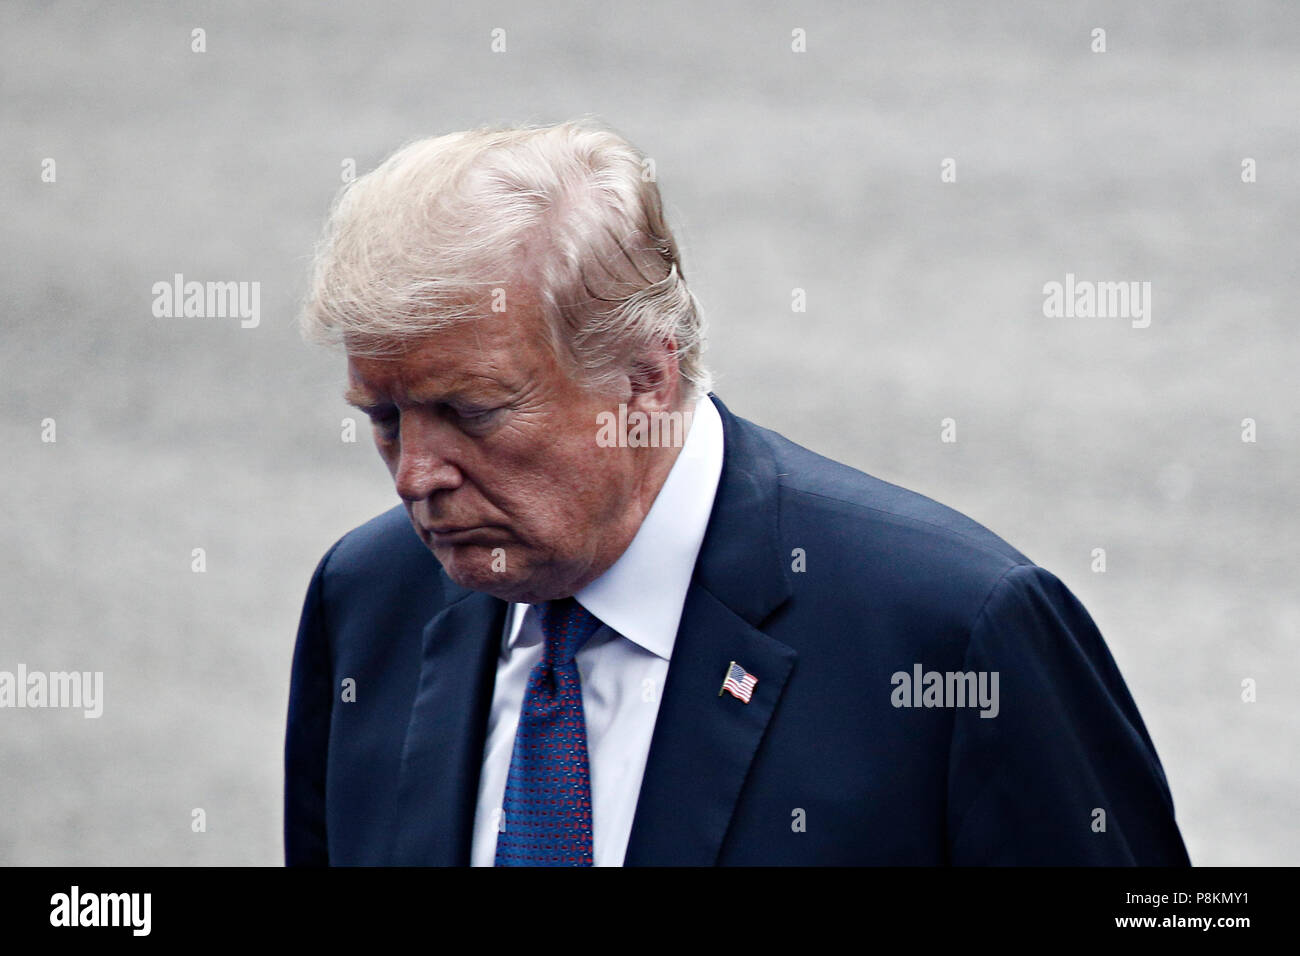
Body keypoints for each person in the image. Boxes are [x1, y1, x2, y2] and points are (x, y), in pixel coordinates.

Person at [284, 118, 1191, 866]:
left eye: (471, 411)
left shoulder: (956, 632)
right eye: (386, 419)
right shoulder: (366, 601)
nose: (415, 479)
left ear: (644, 378)